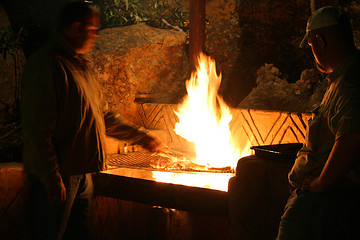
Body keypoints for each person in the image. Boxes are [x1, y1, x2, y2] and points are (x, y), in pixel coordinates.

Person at [20, 2, 161, 239]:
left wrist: (140, 136)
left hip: (82, 174)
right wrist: (51, 178)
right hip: (59, 176)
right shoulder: (48, 65)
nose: (96, 35)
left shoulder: (81, 66)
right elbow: (38, 130)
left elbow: (102, 117)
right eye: (93, 29)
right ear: (77, 27)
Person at [276, 6, 360, 240]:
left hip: (323, 207)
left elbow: (353, 136)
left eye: (311, 46)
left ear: (320, 41)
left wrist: (323, 182)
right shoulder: (343, 77)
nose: (312, 54)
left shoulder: (350, 83)